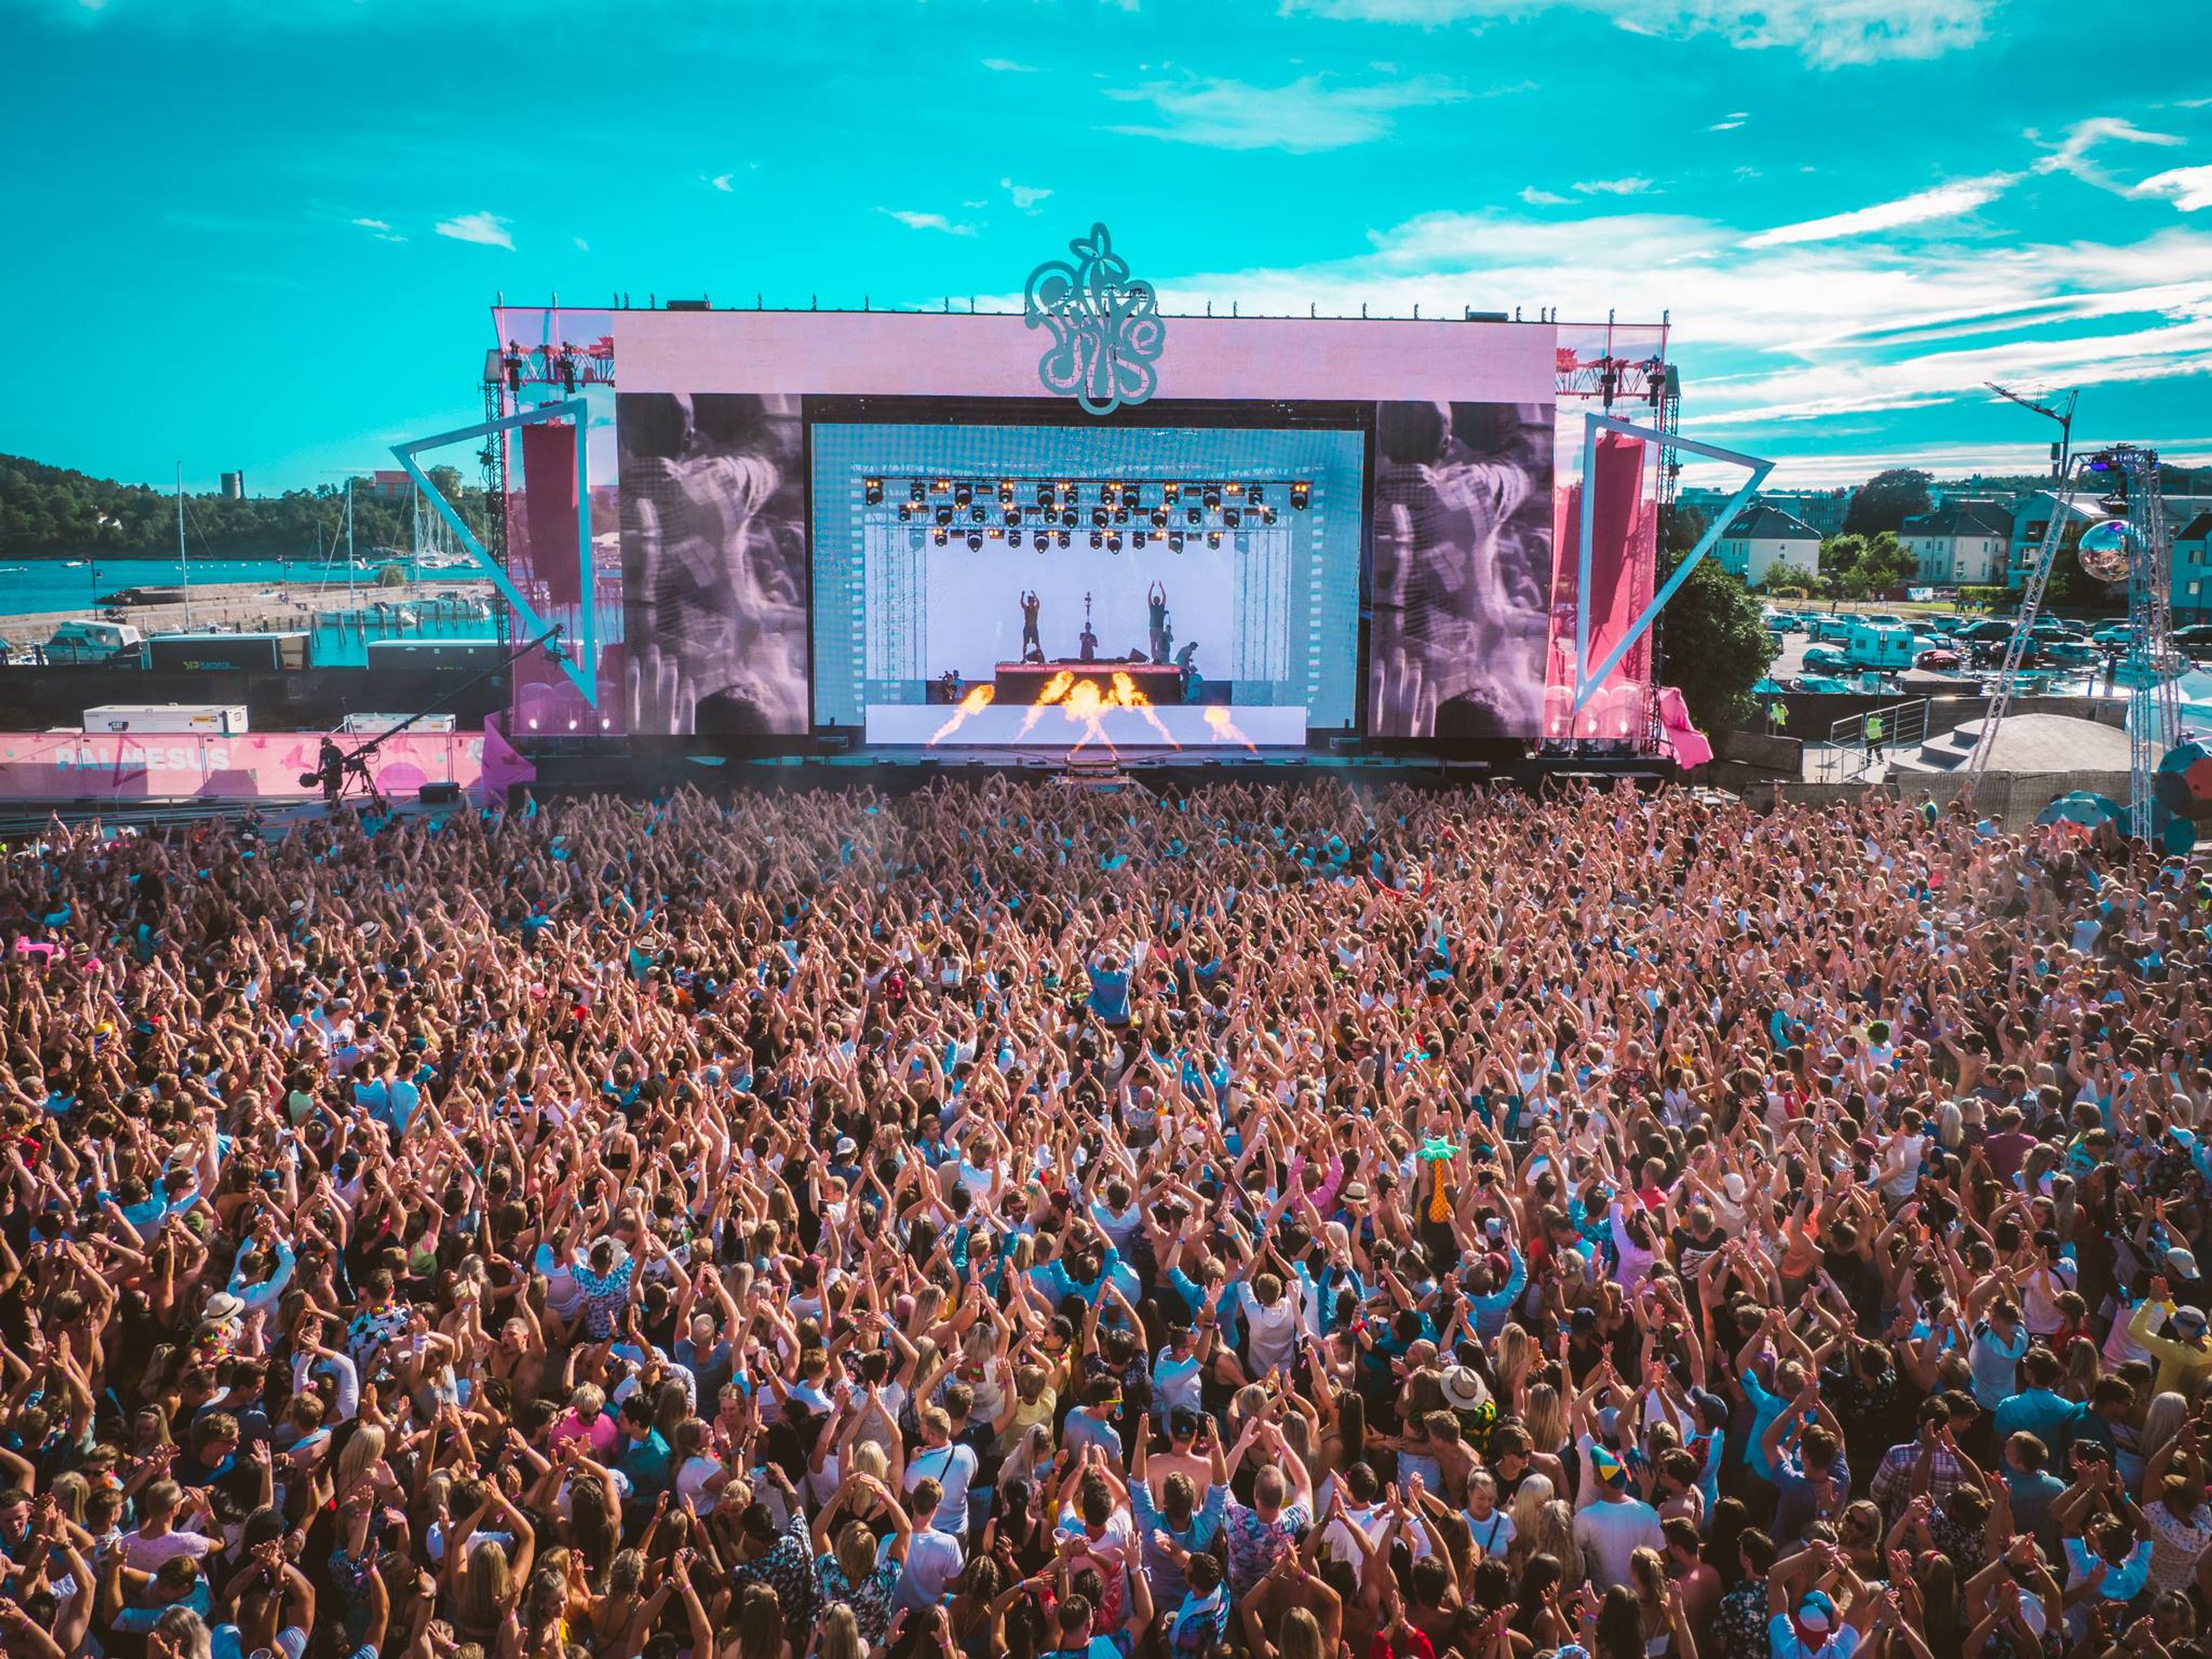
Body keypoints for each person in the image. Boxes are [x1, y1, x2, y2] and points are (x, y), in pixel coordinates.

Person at [1021, 589, 1042, 660]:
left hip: (1034, 628)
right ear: (1029, 602)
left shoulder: (1035, 609)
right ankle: (1024, 658)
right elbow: (1022, 603)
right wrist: (1023, 595)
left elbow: (1039, 603)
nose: (1033, 603)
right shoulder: (1027, 609)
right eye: (1032, 602)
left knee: (1037, 644)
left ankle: (1039, 659)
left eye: (1033, 602)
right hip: (1027, 627)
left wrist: (1035, 595)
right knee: (1025, 643)